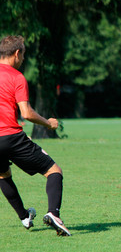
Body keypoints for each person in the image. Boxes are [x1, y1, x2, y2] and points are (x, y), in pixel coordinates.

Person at [0, 35, 71, 236]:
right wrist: (48, 123)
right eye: (23, 55)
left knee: (3, 175)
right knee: (54, 171)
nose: (23, 60)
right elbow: (26, 113)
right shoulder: (16, 77)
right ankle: (53, 213)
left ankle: (24, 216)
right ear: (16, 53)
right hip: (10, 136)